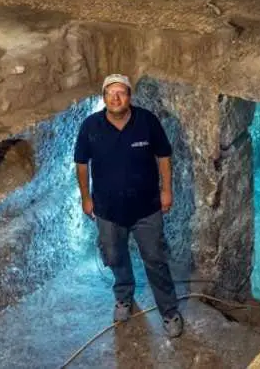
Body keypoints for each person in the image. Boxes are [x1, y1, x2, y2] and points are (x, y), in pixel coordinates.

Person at [74, 74, 184, 338]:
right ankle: (124, 297)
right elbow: (81, 163)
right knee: (114, 257)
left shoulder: (147, 122)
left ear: (129, 96)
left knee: (156, 261)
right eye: (110, 93)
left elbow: (164, 156)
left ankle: (169, 312)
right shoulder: (90, 126)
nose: (115, 98)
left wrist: (167, 190)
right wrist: (85, 198)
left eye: (121, 92)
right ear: (103, 98)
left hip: (147, 208)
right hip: (108, 210)